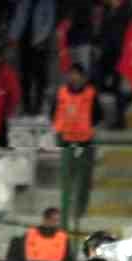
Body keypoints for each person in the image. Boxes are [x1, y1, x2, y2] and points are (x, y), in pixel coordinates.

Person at [53, 65, 98, 223]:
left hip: (85, 143)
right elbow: (55, 114)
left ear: (83, 77)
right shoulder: (61, 93)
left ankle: (80, 211)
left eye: (77, 75)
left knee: (84, 180)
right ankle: (65, 216)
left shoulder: (91, 93)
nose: (74, 78)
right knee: (67, 181)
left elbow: (98, 115)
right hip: (67, 142)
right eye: (71, 74)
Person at [7, 207, 72, 261]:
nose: (56, 224)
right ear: (44, 219)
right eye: (53, 220)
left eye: (57, 221)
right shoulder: (28, 236)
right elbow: (15, 260)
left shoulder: (63, 238)